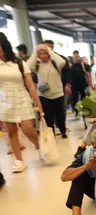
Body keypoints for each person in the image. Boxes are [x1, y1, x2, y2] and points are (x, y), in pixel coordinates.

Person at [0, 32, 43, 173]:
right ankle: (19, 161)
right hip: (4, 99)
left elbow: (30, 84)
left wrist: (37, 102)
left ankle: (39, 146)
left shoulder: (19, 63)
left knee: (28, 130)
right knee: (11, 132)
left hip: (22, 96)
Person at [27, 44, 67, 138]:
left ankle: (63, 130)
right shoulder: (37, 65)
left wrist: (49, 50)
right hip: (43, 94)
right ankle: (51, 133)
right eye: (40, 54)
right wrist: (35, 53)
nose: (43, 55)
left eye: (45, 53)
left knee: (59, 114)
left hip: (58, 93)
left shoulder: (55, 63)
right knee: (48, 116)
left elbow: (62, 62)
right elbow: (28, 66)